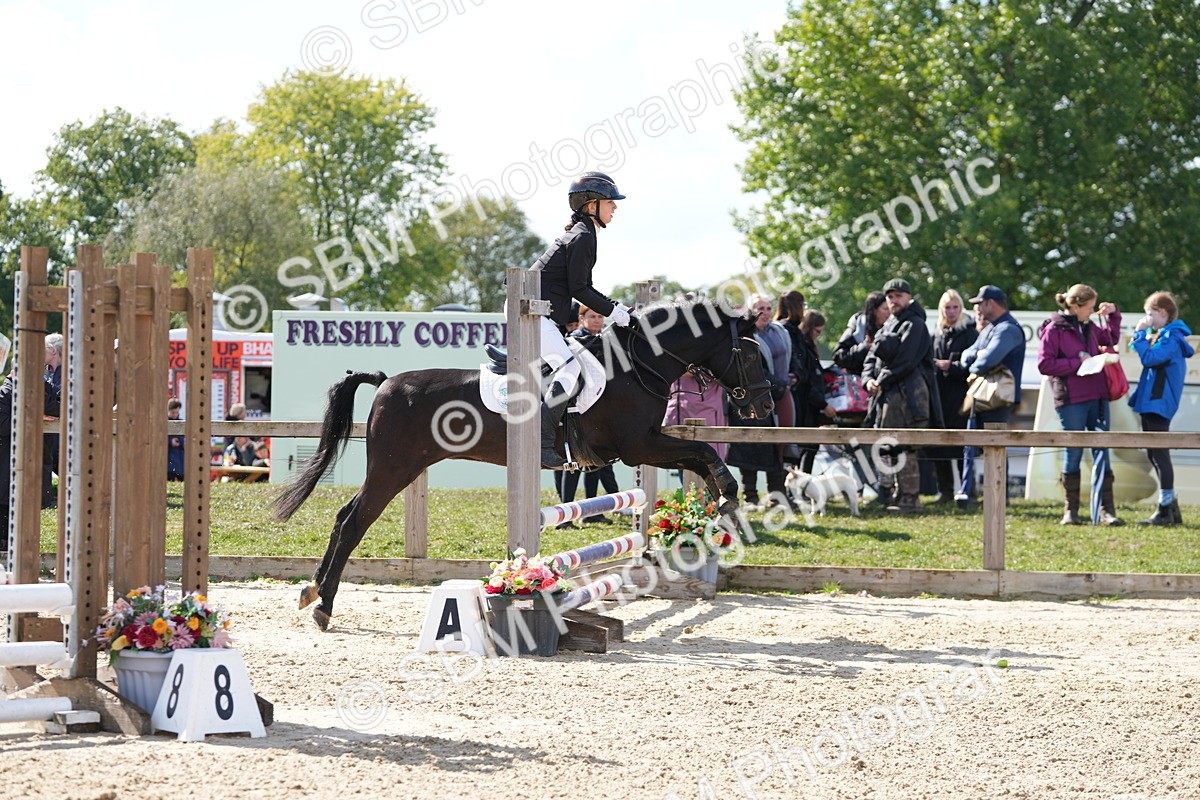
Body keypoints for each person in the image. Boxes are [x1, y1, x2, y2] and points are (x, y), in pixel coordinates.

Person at [531, 171, 631, 469]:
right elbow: (580, 288)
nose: (615, 207)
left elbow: (576, 289)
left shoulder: (585, 233)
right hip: (531, 310)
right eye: (609, 202)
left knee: (573, 364)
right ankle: (542, 442)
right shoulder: (583, 236)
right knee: (570, 367)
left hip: (540, 310)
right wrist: (616, 312)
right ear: (591, 206)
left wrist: (615, 307)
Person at [1037, 283, 1123, 526]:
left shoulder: (1089, 326)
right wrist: (1078, 362)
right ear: (1075, 306)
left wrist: (1114, 314)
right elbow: (1045, 365)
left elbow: (1111, 338)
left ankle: (1107, 510)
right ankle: (1070, 511)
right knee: (1073, 452)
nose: (1092, 311)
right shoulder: (1054, 329)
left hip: (1097, 395)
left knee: (1101, 450)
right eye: (1090, 307)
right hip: (1072, 399)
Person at [862, 278, 942, 514]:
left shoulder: (915, 324)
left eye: (898, 296)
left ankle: (909, 497)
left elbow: (906, 362)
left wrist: (881, 380)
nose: (893, 300)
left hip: (910, 396)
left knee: (905, 445)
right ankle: (888, 492)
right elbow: (871, 358)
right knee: (886, 443)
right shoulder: (888, 324)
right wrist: (869, 380)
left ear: (909, 297)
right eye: (890, 296)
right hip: (887, 394)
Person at [955, 286, 1026, 509]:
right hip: (983, 396)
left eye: (979, 303)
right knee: (973, 445)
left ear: (991, 304)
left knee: (994, 446)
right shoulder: (992, 328)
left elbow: (986, 361)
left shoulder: (1008, 329)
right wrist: (978, 356)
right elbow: (968, 354)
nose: (976, 307)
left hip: (998, 398)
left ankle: (998, 497)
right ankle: (970, 494)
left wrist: (977, 359)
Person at [1129, 291, 1194, 526]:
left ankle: (1165, 508)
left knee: (1160, 454)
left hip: (1159, 403)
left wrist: (1139, 333)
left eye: (1150, 314)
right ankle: (1171, 508)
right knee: (1153, 453)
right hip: (1152, 402)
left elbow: (1150, 359)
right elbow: (1145, 352)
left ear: (1163, 313)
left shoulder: (1171, 338)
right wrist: (1144, 334)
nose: (1147, 318)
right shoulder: (1163, 335)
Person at [725, 296, 790, 510]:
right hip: (752, 395)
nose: (765, 312)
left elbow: (788, 358)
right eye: (760, 308)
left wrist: (793, 375)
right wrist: (779, 382)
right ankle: (750, 496)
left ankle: (777, 495)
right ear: (751, 311)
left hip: (780, 394)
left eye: (769, 308)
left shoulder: (779, 332)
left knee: (776, 446)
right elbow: (754, 368)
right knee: (749, 446)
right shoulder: (745, 334)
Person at [930, 290, 978, 504]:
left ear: (961, 309)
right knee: (938, 444)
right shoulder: (936, 333)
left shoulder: (970, 332)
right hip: (939, 396)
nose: (951, 312)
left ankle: (968, 489)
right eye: (947, 307)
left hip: (961, 395)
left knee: (963, 444)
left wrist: (953, 366)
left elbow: (975, 365)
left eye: (955, 307)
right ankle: (945, 491)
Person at [0, 363, 61, 524]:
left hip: (35, 463)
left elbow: (57, 408)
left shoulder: (43, 388)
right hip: (8, 465)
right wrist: (34, 417)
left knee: (29, 520)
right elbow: (2, 424)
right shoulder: (5, 392)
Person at [789, 308, 837, 473]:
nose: (819, 335)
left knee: (809, 448)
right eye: (817, 331)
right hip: (805, 406)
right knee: (806, 448)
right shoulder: (804, 348)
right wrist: (823, 405)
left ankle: (800, 486)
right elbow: (808, 383)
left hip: (810, 406)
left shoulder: (807, 348)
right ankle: (798, 487)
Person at [834, 291, 890, 376]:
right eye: (885, 309)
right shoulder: (857, 328)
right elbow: (839, 357)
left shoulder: (892, 328)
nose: (889, 313)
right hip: (857, 383)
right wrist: (864, 347)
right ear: (874, 310)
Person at [167, 398, 185, 481]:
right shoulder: (165, 422)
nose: (175, 415)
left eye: (177, 412)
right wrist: (170, 442)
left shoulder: (181, 423)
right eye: (173, 412)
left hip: (179, 458)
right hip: (168, 457)